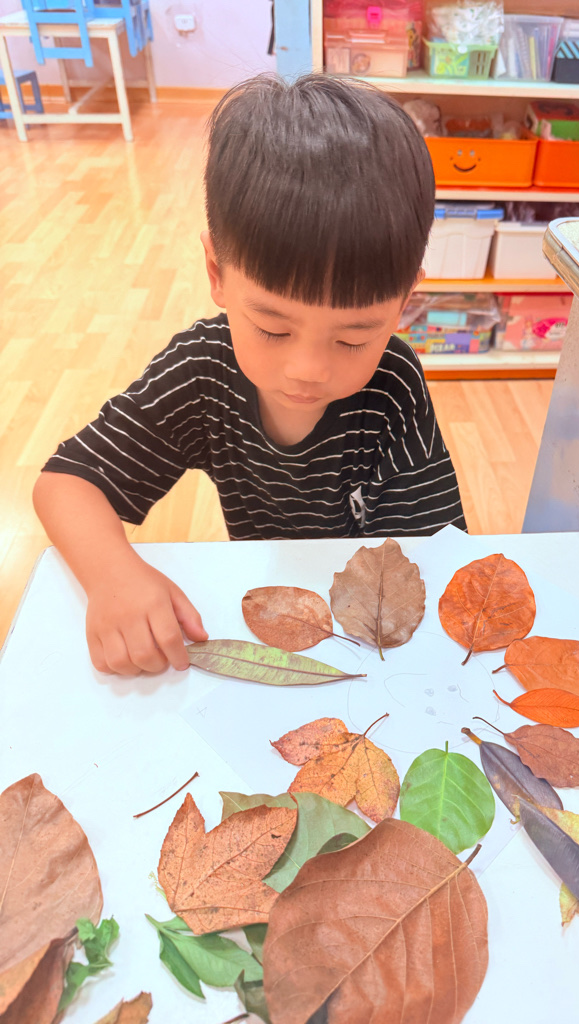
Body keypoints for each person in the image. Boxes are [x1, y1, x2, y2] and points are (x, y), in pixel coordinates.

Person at [33, 74, 467, 678]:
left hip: (360, 636)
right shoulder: (201, 370)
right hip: (263, 609)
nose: (308, 370)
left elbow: (430, 553)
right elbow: (66, 483)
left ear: (404, 304)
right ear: (216, 273)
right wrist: (114, 576)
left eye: (352, 338)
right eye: (272, 328)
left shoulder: (393, 384)